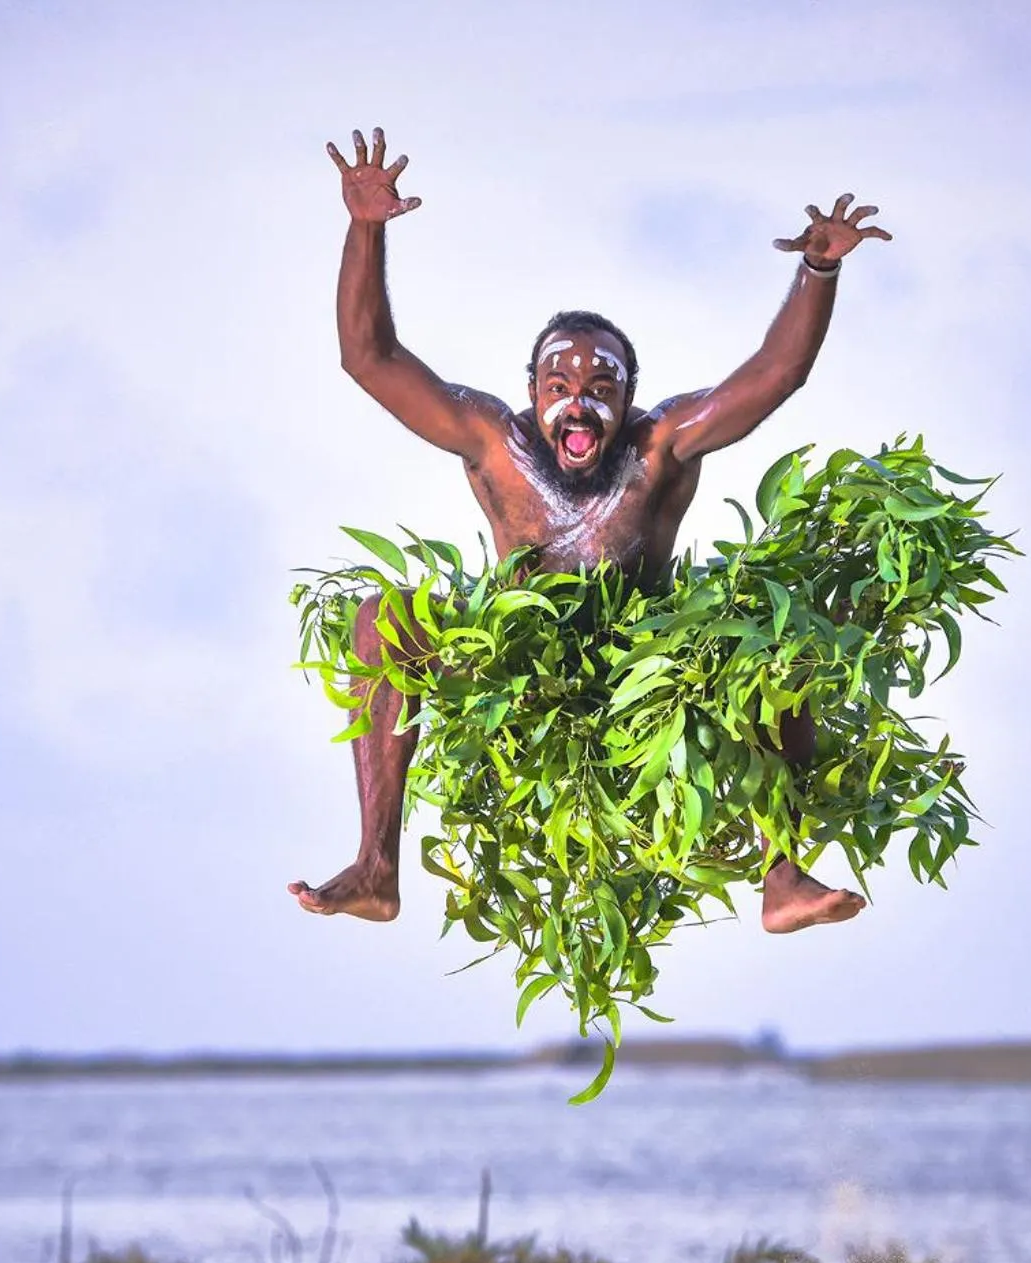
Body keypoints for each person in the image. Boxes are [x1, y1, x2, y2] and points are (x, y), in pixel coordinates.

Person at [287, 126, 892, 933]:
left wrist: (817, 271)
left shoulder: (662, 445)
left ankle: (781, 876)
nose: (581, 398)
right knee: (380, 618)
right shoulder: (493, 445)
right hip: (520, 676)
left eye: (603, 382)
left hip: (650, 673)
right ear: (531, 391)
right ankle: (376, 865)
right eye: (560, 380)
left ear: (633, 397)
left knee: (771, 634)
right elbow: (369, 357)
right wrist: (366, 229)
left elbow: (774, 374)